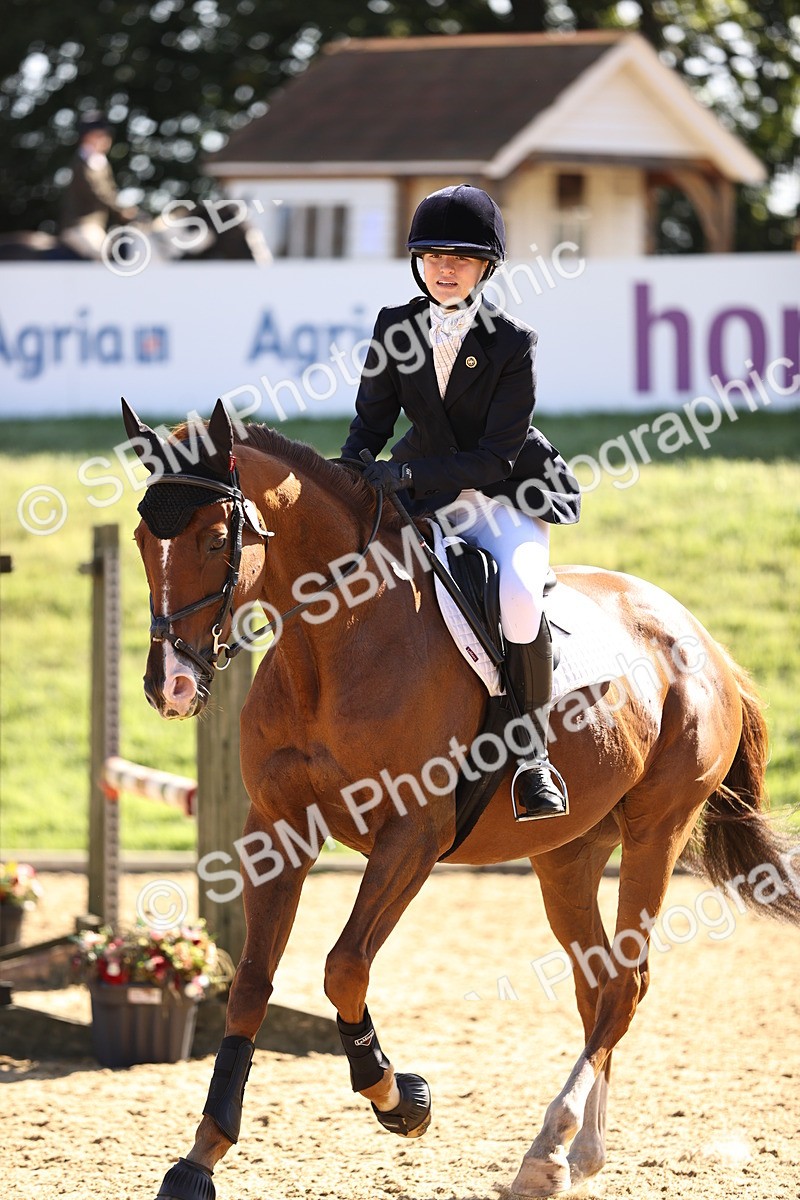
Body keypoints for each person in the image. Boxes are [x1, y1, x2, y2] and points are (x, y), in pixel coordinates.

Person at [340, 183, 581, 821]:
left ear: (485, 268)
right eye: (432, 256)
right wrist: (351, 477)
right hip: (427, 497)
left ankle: (532, 757)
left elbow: (497, 456)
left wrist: (408, 472)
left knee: (521, 598)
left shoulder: (512, 343)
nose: (444, 269)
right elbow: (370, 424)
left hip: (504, 498)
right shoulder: (395, 326)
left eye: (461, 257)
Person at [59, 112, 138, 259]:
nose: (107, 140)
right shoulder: (84, 161)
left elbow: (111, 191)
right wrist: (121, 210)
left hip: (98, 226)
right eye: (101, 135)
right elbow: (97, 192)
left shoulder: (100, 161)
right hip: (81, 225)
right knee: (101, 254)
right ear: (89, 137)